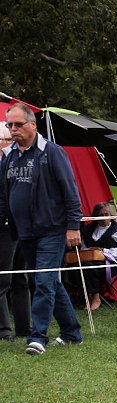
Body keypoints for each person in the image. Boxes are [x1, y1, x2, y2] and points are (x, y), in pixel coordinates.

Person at [0, 103, 83, 355]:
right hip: (24, 232)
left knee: (44, 282)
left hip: (52, 230)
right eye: (9, 125)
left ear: (33, 125)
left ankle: (37, 337)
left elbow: (70, 191)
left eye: (18, 124)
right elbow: (4, 195)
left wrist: (72, 226)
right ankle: (71, 333)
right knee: (46, 282)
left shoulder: (52, 153)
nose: (13, 129)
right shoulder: (10, 157)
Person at [68, 202, 117, 310]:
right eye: (100, 215)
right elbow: (83, 248)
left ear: (111, 215)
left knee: (89, 267)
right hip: (92, 260)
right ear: (95, 217)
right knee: (75, 266)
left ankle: (96, 298)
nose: (104, 218)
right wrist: (90, 251)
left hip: (113, 262)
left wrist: (104, 251)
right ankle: (85, 297)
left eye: (106, 214)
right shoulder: (89, 230)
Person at [0, 124, 31, 341]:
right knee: (8, 280)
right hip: (8, 225)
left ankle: (17, 329)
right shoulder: (13, 159)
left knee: (17, 279)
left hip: (18, 227)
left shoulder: (16, 160)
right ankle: (8, 330)